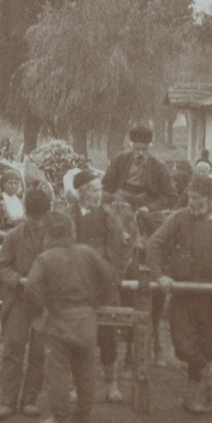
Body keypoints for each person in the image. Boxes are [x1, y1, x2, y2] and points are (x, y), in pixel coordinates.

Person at [149, 175, 212, 413]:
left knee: (205, 345)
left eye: (197, 198)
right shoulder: (178, 218)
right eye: (190, 197)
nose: (192, 203)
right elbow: (155, 244)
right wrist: (160, 274)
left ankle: (193, 397)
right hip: (183, 292)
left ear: (210, 199)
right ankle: (211, 377)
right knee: (182, 344)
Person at [23, 212, 119, 423]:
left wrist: (41, 309)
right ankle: (83, 414)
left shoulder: (45, 258)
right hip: (85, 317)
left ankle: (60, 415)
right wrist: (96, 302)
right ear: (72, 231)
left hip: (58, 318)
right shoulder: (88, 253)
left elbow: (31, 289)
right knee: (85, 368)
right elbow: (110, 278)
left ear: (48, 234)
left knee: (57, 369)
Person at [69, 170, 133, 402]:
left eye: (99, 190)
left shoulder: (108, 216)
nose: (99, 195)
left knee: (108, 334)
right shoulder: (69, 216)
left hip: (104, 283)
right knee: (77, 335)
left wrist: (113, 274)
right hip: (75, 284)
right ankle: (76, 384)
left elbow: (122, 248)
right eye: (94, 190)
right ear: (82, 193)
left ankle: (111, 383)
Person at [0, 187, 54, 420]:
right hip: (18, 300)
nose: (37, 223)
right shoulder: (14, 236)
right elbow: (0, 268)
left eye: (41, 217)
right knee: (13, 348)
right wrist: (19, 281)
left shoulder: (56, 237)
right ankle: (8, 401)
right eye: (32, 217)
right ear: (26, 214)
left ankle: (30, 400)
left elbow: (63, 266)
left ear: (49, 213)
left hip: (45, 303)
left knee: (39, 352)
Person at [103, 124, 176, 218]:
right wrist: (113, 199)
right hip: (119, 203)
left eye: (144, 149)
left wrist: (150, 208)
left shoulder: (159, 167)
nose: (140, 153)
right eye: (137, 149)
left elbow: (171, 197)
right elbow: (106, 185)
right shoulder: (121, 160)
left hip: (146, 207)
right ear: (131, 146)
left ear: (149, 147)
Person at [0, 169, 27, 236]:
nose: (14, 186)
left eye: (16, 183)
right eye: (11, 183)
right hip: (4, 243)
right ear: (4, 184)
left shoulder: (21, 202)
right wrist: (10, 238)